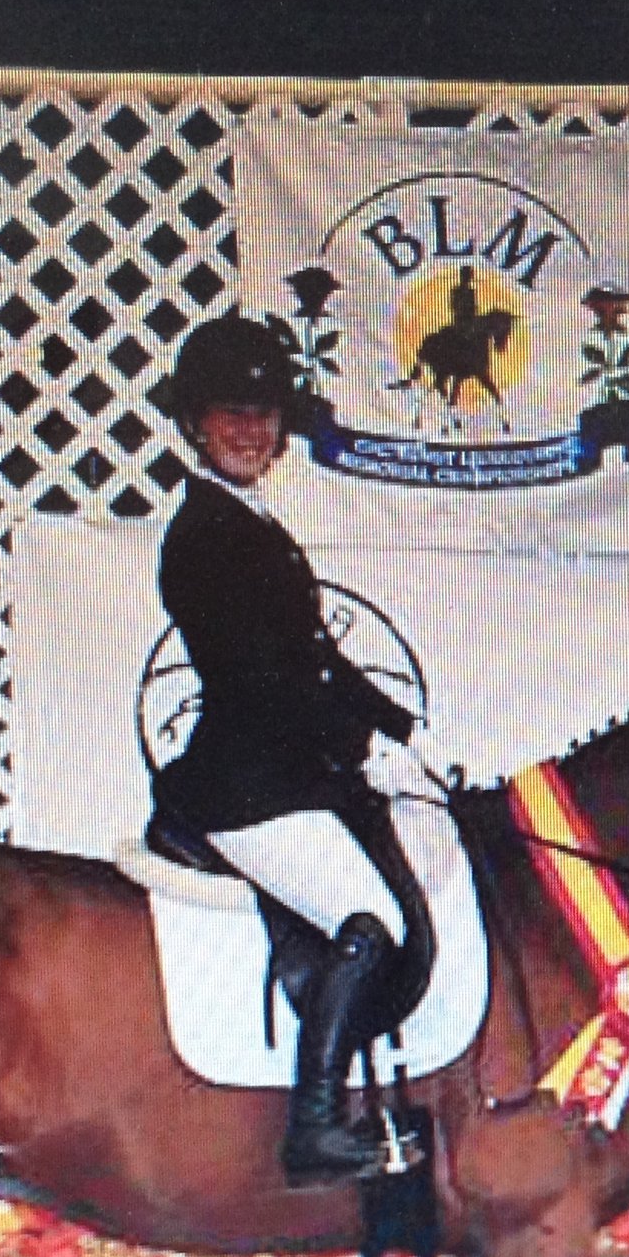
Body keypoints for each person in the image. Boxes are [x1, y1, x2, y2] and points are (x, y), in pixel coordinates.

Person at [148, 312, 447, 1185]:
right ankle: (313, 1129)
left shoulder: (249, 522)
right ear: (195, 423)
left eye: (264, 413)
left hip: (284, 776)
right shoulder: (205, 535)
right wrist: (365, 745)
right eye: (229, 414)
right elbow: (263, 682)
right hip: (244, 790)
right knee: (373, 921)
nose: (249, 430)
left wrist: (404, 729)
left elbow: (316, 656)